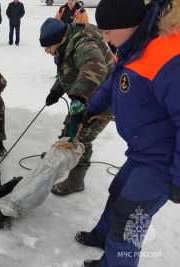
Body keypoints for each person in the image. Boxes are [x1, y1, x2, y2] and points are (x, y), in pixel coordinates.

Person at [71, 0, 180, 266]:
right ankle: (102, 238)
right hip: (143, 150)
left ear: (131, 25)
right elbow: (113, 81)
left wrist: (178, 177)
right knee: (118, 192)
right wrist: (90, 109)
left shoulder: (168, 56)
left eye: (109, 31)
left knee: (130, 219)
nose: (104, 38)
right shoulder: (133, 45)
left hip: (162, 161)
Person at [39, 18, 114, 196]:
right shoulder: (67, 40)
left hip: (104, 100)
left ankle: (76, 181)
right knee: (69, 129)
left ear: (59, 40)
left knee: (81, 137)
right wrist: (56, 90)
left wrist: (78, 101)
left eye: (48, 48)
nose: (47, 52)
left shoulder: (84, 43)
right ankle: (60, 158)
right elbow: (69, 68)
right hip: (86, 95)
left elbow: (95, 67)